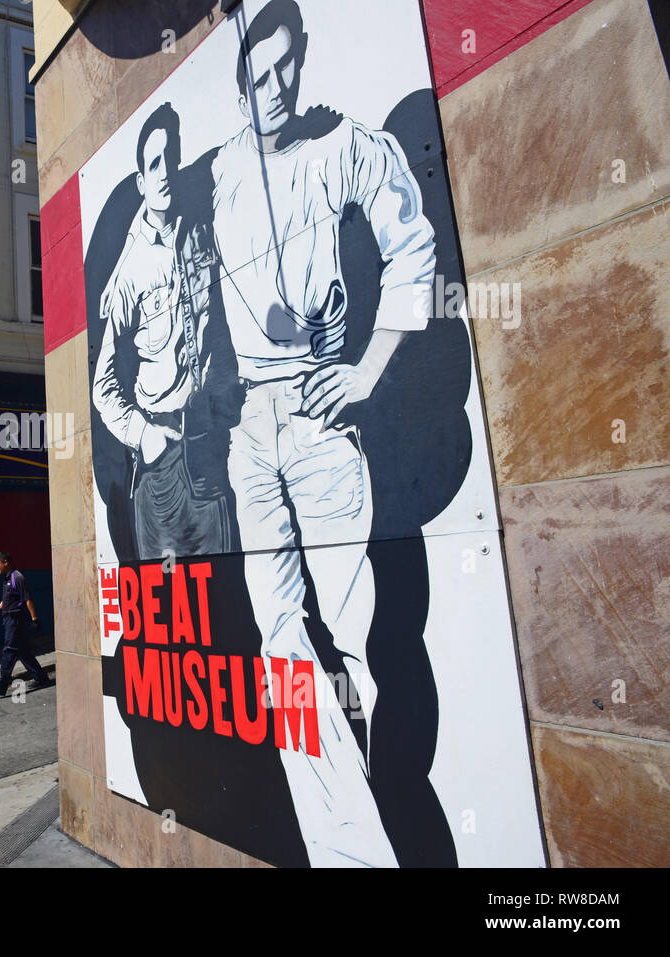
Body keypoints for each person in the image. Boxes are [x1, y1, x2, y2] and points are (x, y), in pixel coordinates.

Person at [206, 0, 437, 867]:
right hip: (250, 433)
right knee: (280, 643)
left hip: (318, 412)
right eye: (257, 74)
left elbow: (412, 248)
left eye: (284, 67)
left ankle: (388, 814)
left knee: (355, 636)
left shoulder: (343, 145)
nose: (273, 87)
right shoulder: (222, 172)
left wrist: (368, 369)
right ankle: (346, 849)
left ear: (301, 62)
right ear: (238, 83)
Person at [93, 102, 237, 560]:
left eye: (171, 158)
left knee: (224, 585)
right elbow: (104, 386)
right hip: (161, 459)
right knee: (173, 595)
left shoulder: (201, 232)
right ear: (141, 180)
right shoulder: (129, 275)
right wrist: (145, 436)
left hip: (212, 439)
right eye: (154, 163)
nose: (165, 171)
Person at [0, 552, 51, 695]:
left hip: (15, 621)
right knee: (23, 652)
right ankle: (41, 678)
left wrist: (34, 619)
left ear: (6, 562)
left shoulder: (17, 577)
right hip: (8, 619)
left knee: (8, 651)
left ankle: (1, 685)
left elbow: (28, 599)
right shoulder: (7, 579)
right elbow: (6, 601)